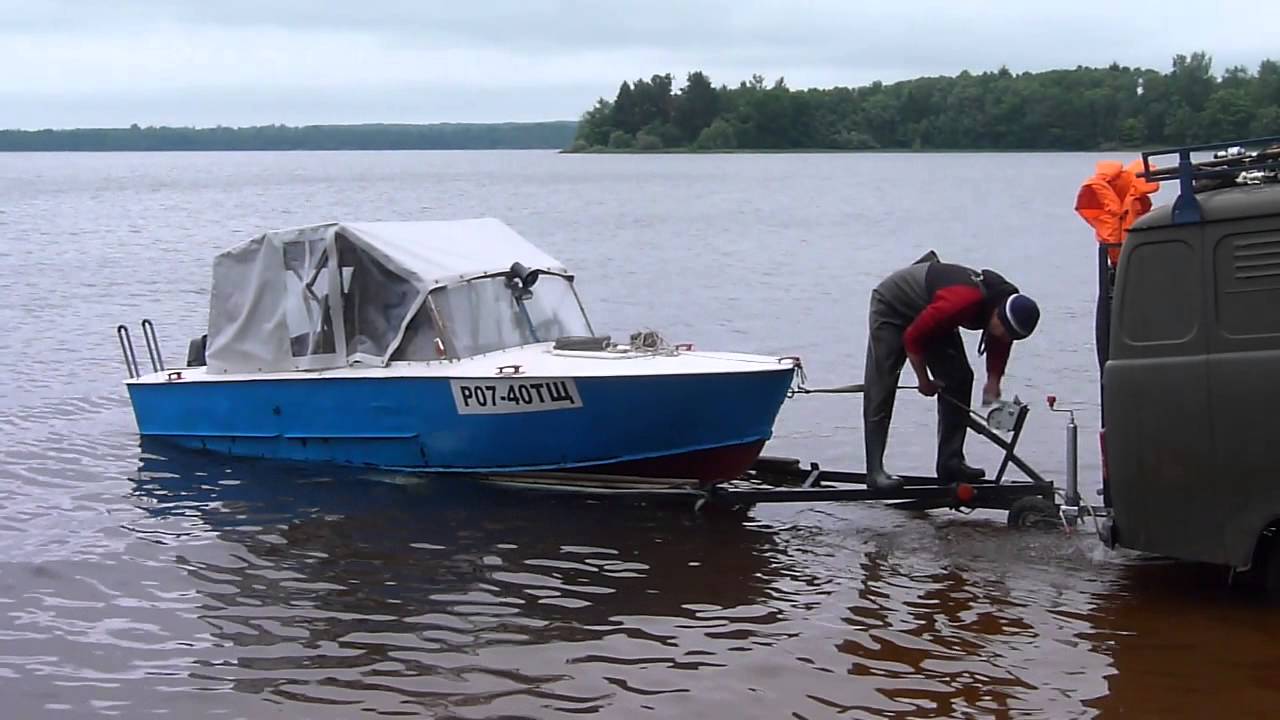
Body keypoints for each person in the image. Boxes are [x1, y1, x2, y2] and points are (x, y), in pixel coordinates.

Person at [863, 252, 1040, 491]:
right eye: (1005, 331)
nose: (1005, 338)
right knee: (882, 384)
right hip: (894, 304)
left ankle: (950, 463)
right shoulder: (963, 301)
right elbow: (913, 338)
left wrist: (993, 381)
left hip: (932, 307)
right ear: (997, 313)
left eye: (1012, 337)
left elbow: (1000, 342)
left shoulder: (1004, 306)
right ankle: (875, 472)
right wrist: (924, 380)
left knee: (960, 378)